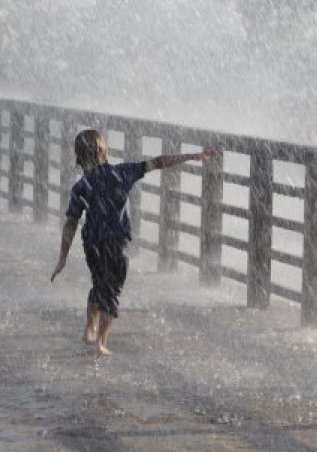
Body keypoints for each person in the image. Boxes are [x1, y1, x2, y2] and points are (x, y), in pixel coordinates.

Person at [51, 129, 218, 356]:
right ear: (103, 150)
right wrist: (191, 156)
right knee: (112, 291)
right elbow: (159, 162)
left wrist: (63, 257)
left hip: (92, 245)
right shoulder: (122, 173)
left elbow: (71, 223)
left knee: (100, 286)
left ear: (79, 156)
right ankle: (101, 341)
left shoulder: (81, 186)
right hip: (117, 244)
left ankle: (90, 327)